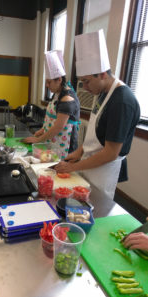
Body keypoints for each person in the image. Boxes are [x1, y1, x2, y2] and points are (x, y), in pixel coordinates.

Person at [55, 29, 140, 201]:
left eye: (87, 81)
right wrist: (79, 151)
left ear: (102, 74)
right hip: (90, 163)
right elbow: (96, 134)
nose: (84, 88)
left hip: (104, 170)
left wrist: (73, 167)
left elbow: (110, 153)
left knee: (96, 207)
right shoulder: (102, 93)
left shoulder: (122, 101)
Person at [23, 50, 80, 160]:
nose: (47, 85)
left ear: (59, 80)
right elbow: (51, 117)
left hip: (65, 146)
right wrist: (42, 130)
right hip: (53, 141)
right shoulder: (57, 93)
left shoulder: (67, 99)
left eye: (49, 82)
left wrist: (38, 140)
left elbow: (58, 127)